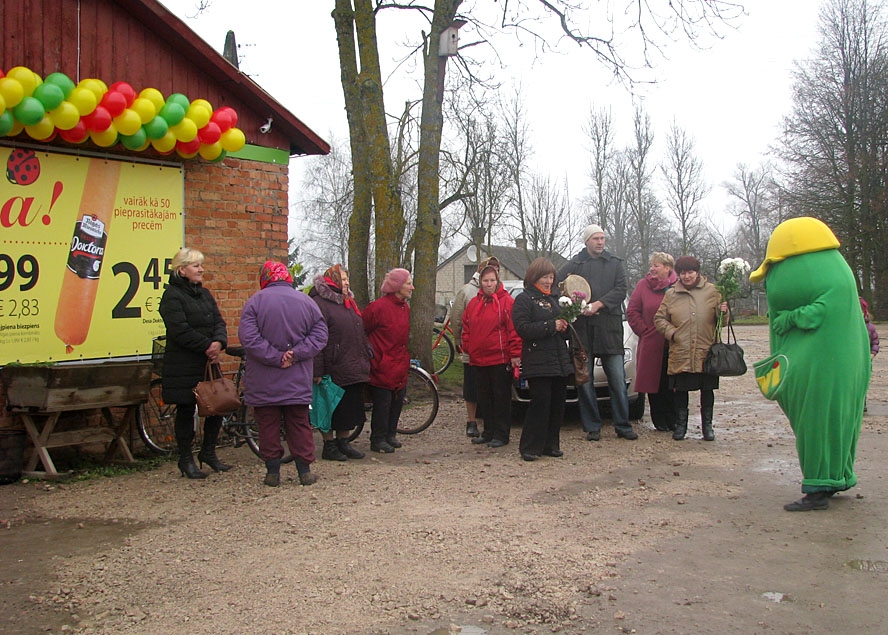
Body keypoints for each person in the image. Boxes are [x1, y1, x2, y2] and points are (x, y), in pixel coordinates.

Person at [750, 218, 869, 512]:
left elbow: (817, 312)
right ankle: (833, 477)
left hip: (824, 365)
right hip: (840, 360)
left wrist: (788, 317)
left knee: (817, 419)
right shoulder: (839, 275)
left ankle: (817, 487)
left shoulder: (830, 281)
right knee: (836, 419)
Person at [239, 261, 328, 487]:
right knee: (299, 423)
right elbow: (320, 335)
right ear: (287, 277)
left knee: (267, 425)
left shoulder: (255, 302)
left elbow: (249, 338)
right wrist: (295, 354)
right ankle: (304, 471)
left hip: (263, 379)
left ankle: (272, 473)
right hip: (297, 378)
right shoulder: (307, 302)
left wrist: (275, 357)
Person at [558, 224, 636, 441]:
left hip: (609, 331)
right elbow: (557, 282)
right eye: (596, 239)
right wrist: (573, 304)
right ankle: (592, 426)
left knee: (618, 381)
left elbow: (621, 290)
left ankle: (623, 425)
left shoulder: (614, 264)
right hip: (582, 332)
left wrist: (599, 304)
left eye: (602, 238)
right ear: (587, 241)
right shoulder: (576, 263)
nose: (600, 242)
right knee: (585, 381)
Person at [159, 247, 230, 480]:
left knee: (217, 406)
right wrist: (207, 346)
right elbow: (179, 330)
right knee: (186, 410)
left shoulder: (205, 294)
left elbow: (219, 321)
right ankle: (186, 458)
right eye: (196, 265)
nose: (201, 269)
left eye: (201, 264)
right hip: (183, 364)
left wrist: (219, 341)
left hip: (206, 363)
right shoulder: (171, 297)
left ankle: (208, 452)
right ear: (182, 270)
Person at [653, 256, 728, 441]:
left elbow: (723, 322)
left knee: (707, 389)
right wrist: (673, 333)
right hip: (681, 350)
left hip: (706, 350)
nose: (687, 276)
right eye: (683, 273)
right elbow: (659, 319)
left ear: (698, 272)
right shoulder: (671, 294)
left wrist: (724, 313)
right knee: (681, 390)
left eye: (690, 272)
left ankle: (707, 427)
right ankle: (681, 426)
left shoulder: (713, 291)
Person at [512, 258, 573, 461]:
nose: (548, 281)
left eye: (550, 277)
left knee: (557, 404)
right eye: (544, 277)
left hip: (558, 359)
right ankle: (529, 446)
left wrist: (565, 327)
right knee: (540, 403)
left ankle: (550, 444)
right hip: (537, 360)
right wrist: (551, 326)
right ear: (534, 277)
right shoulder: (524, 299)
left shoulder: (556, 298)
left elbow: (562, 329)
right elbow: (523, 328)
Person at [308, 265, 371, 461]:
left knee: (349, 406)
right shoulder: (319, 303)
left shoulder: (348, 301)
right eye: (343, 279)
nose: (346, 283)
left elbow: (357, 328)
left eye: (346, 279)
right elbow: (316, 338)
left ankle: (344, 442)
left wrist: (367, 350)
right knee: (329, 407)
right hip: (332, 365)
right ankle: (329, 445)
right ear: (332, 279)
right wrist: (316, 369)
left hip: (352, 362)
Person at [462, 261, 522, 448]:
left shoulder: (506, 302)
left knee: (501, 398)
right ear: (480, 282)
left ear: (497, 281)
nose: (489, 284)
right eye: (485, 280)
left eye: (492, 280)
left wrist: (515, 354)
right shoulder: (473, 303)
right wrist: (468, 348)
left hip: (499, 358)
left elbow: (514, 330)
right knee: (484, 398)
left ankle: (501, 434)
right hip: (478, 359)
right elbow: (466, 327)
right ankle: (488, 432)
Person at [448, 256, 501, 438]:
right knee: (472, 387)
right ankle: (471, 421)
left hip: (493, 353)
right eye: (489, 268)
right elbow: (457, 318)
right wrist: (460, 342)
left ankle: (491, 423)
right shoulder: (467, 292)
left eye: (495, 269)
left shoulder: (501, 292)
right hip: (472, 351)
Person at [363, 268, 413, 453]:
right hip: (382, 364)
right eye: (408, 283)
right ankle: (377, 438)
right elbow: (363, 330)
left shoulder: (404, 308)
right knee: (382, 404)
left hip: (399, 363)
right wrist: (375, 356)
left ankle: (390, 434)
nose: (412, 287)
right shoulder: (377, 308)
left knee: (397, 400)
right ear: (397, 286)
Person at [627, 252, 679, 432]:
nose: (652, 269)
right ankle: (660, 420)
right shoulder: (643, 286)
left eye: (656, 265)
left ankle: (676, 419)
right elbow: (632, 311)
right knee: (653, 382)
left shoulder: (678, 286)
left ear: (667, 267)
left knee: (673, 382)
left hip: (674, 343)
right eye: (651, 265)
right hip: (651, 342)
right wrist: (644, 330)